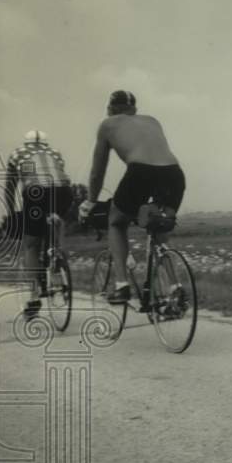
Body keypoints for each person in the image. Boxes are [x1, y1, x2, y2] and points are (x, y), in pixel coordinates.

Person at [78, 90, 186, 304]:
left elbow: (97, 171)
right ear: (134, 109)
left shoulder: (107, 125)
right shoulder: (152, 121)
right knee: (159, 226)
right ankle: (175, 288)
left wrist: (91, 200)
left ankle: (121, 286)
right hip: (174, 173)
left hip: (141, 172)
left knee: (117, 223)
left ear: (110, 108)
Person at [4, 130, 74, 317]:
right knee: (55, 220)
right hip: (64, 192)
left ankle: (34, 296)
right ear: (45, 142)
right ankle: (57, 256)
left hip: (36, 192)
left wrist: (11, 214)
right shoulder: (55, 152)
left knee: (31, 245)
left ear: (25, 143)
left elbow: (11, 189)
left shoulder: (17, 154)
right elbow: (57, 177)